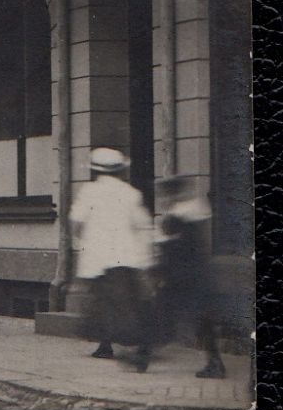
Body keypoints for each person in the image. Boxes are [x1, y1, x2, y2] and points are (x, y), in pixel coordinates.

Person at [72, 146, 155, 370]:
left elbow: (76, 222)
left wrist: (84, 241)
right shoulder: (131, 193)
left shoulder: (89, 191)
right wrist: (146, 257)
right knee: (124, 302)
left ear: (95, 171)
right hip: (125, 257)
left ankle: (135, 349)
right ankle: (108, 345)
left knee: (104, 303)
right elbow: (143, 226)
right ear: (120, 171)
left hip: (97, 258)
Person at [152, 175, 226, 379]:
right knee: (202, 321)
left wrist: (161, 273)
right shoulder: (197, 210)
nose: (163, 199)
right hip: (198, 276)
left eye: (165, 194)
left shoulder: (177, 216)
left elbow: (170, 249)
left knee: (160, 314)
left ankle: (142, 355)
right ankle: (215, 362)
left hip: (180, 278)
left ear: (172, 194)